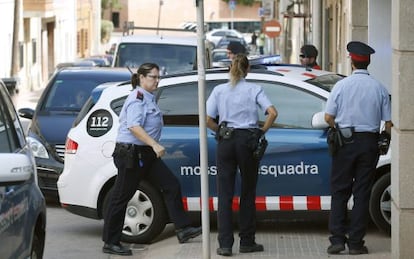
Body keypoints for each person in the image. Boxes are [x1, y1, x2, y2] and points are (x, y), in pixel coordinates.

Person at [102, 63, 202, 256]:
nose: (157, 81)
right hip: (131, 155)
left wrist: (151, 146)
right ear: (141, 78)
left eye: (158, 77)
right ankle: (111, 242)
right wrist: (154, 144)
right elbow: (134, 126)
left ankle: (182, 229)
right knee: (121, 197)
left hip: (145, 154)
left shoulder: (148, 97)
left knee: (171, 185)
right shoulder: (137, 98)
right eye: (153, 77)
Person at [206, 54, 278, 257]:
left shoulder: (219, 90)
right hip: (247, 140)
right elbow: (272, 112)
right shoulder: (254, 89)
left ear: (230, 68)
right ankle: (247, 241)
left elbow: (208, 119)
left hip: (226, 141)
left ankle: (225, 245)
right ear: (248, 70)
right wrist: (262, 131)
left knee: (225, 194)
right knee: (247, 192)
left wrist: (219, 131)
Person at [324, 41, 392, 255]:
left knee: (339, 191)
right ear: (367, 63)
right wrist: (383, 137)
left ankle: (336, 240)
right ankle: (355, 244)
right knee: (362, 193)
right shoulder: (379, 88)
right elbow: (388, 123)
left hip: (345, 142)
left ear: (351, 62)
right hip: (369, 143)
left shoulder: (341, 86)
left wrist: (339, 128)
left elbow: (328, 117)